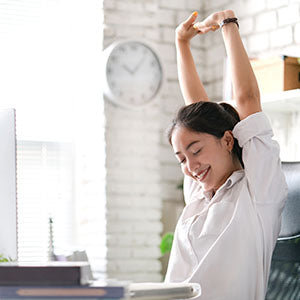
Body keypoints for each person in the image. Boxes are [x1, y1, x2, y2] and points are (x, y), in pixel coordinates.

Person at [164, 9, 288, 300]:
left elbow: (247, 99)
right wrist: (181, 43)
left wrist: (228, 24)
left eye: (195, 151)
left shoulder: (258, 191)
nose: (191, 166)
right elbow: (198, 113)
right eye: (181, 158)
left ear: (228, 140)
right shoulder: (199, 194)